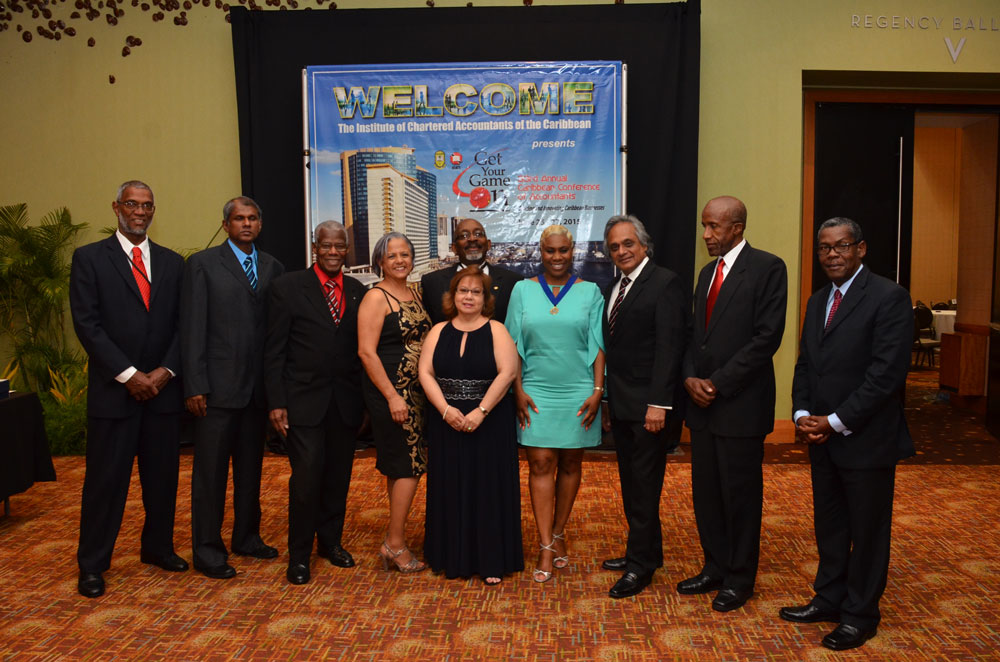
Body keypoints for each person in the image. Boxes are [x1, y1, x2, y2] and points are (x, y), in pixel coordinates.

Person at [781, 218, 914, 651]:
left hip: (866, 439)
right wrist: (803, 413)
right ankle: (829, 598)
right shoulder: (819, 299)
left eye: (841, 246)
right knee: (831, 525)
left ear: (861, 249)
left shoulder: (889, 297)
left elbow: (886, 375)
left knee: (868, 532)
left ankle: (860, 615)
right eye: (824, 248)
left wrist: (835, 420)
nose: (832, 254)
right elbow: (806, 364)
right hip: (822, 438)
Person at [69, 180, 187, 598]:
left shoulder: (173, 263)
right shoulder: (89, 259)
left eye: (147, 205)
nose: (140, 211)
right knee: (105, 484)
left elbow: (184, 325)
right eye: (132, 204)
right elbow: (87, 325)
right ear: (116, 207)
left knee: (162, 480)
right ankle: (93, 564)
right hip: (114, 393)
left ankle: (157, 549)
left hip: (162, 393)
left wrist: (165, 371)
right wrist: (129, 375)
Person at [679, 195, 787, 612]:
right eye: (703, 226)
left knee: (740, 496)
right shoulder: (707, 272)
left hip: (740, 405)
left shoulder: (768, 268)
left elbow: (766, 338)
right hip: (702, 406)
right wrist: (690, 377)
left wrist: (718, 383)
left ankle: (740, 579)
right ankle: (714, 567)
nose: (706, 234)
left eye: (714, 226)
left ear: (737, 228)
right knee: (706, 494)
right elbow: (695, 335)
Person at [180, 196, 284, 579]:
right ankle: (208, 550)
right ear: (226, 225)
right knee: (210, 476)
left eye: (252, 218)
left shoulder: (273, 266)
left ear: (260, 224)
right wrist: (195, 384)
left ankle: (247, 537)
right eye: (239, 218)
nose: (246, 224)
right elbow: (192, 328)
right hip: (215, 392)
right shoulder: (203, 264)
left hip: (256, 393)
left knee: (250, 472)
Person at [264, 220, 365, 585]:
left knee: (338, 477)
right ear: (315, 247)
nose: (333, 252)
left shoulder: (357, 290)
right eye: (327, 245)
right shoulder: (287, 287)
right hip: (302, 402)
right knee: (306, 480)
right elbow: (274, 350)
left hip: (345, 403)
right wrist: (276, 401)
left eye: (340, 246)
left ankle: (330, 543)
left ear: (347, 249)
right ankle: (299, 556)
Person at [505, 224, 605, 583]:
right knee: (541, 462)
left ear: (572, 251)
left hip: (579, 390)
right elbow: (512, 345)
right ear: (541, 251)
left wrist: (598, 391)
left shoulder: (590, 291)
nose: (557, 257)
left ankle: (559, 530)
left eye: (563, 250)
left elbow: (598, 344)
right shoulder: (522, 290)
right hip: (535, 390)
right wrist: (517, 389)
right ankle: (546, 544)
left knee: (571, 462)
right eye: (550, 250)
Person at [599, 215, 688, 598]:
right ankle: (647, 551)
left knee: (645, 486)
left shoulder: (665, 283)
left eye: (628, 243)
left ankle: (640, 567)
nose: (621, 251)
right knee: (632, 484)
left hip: (650, 408)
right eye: (614, 247)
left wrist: (658, 404)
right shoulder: (614, 286)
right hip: (622, 405)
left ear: (644, 244)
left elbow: (670, 348)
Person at [418, 267, 524, 585]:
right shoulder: (438, 330)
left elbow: (508, 372)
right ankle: (451, 557)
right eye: (463, 290)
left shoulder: (497, 330)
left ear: (485, 298)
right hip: (447, 422)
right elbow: (425, 373)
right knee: (450, 486)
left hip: (489, 422)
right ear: (452, 296)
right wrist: (445, 410)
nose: (468, 297)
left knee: (488, 489)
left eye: (476, 292)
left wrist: (481, 411)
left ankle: (491, 560)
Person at [358, 232, 432, 573]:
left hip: (417, 394)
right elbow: (366, 352)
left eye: (405, 254)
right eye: (392, 256)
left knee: (404, 466)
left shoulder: (414, 293)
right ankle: (394, 543)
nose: (400, 260)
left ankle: (395, 537)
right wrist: (392, 396)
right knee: (408, 466)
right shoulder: (376, 297)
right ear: (380, 262)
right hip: (393, 394)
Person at [422, 218, 522, 324]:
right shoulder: (432, 282)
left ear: (488, 244)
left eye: (478, 234)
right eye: (464, 236)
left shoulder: (513, 282)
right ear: (454, 248)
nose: (472, 239)